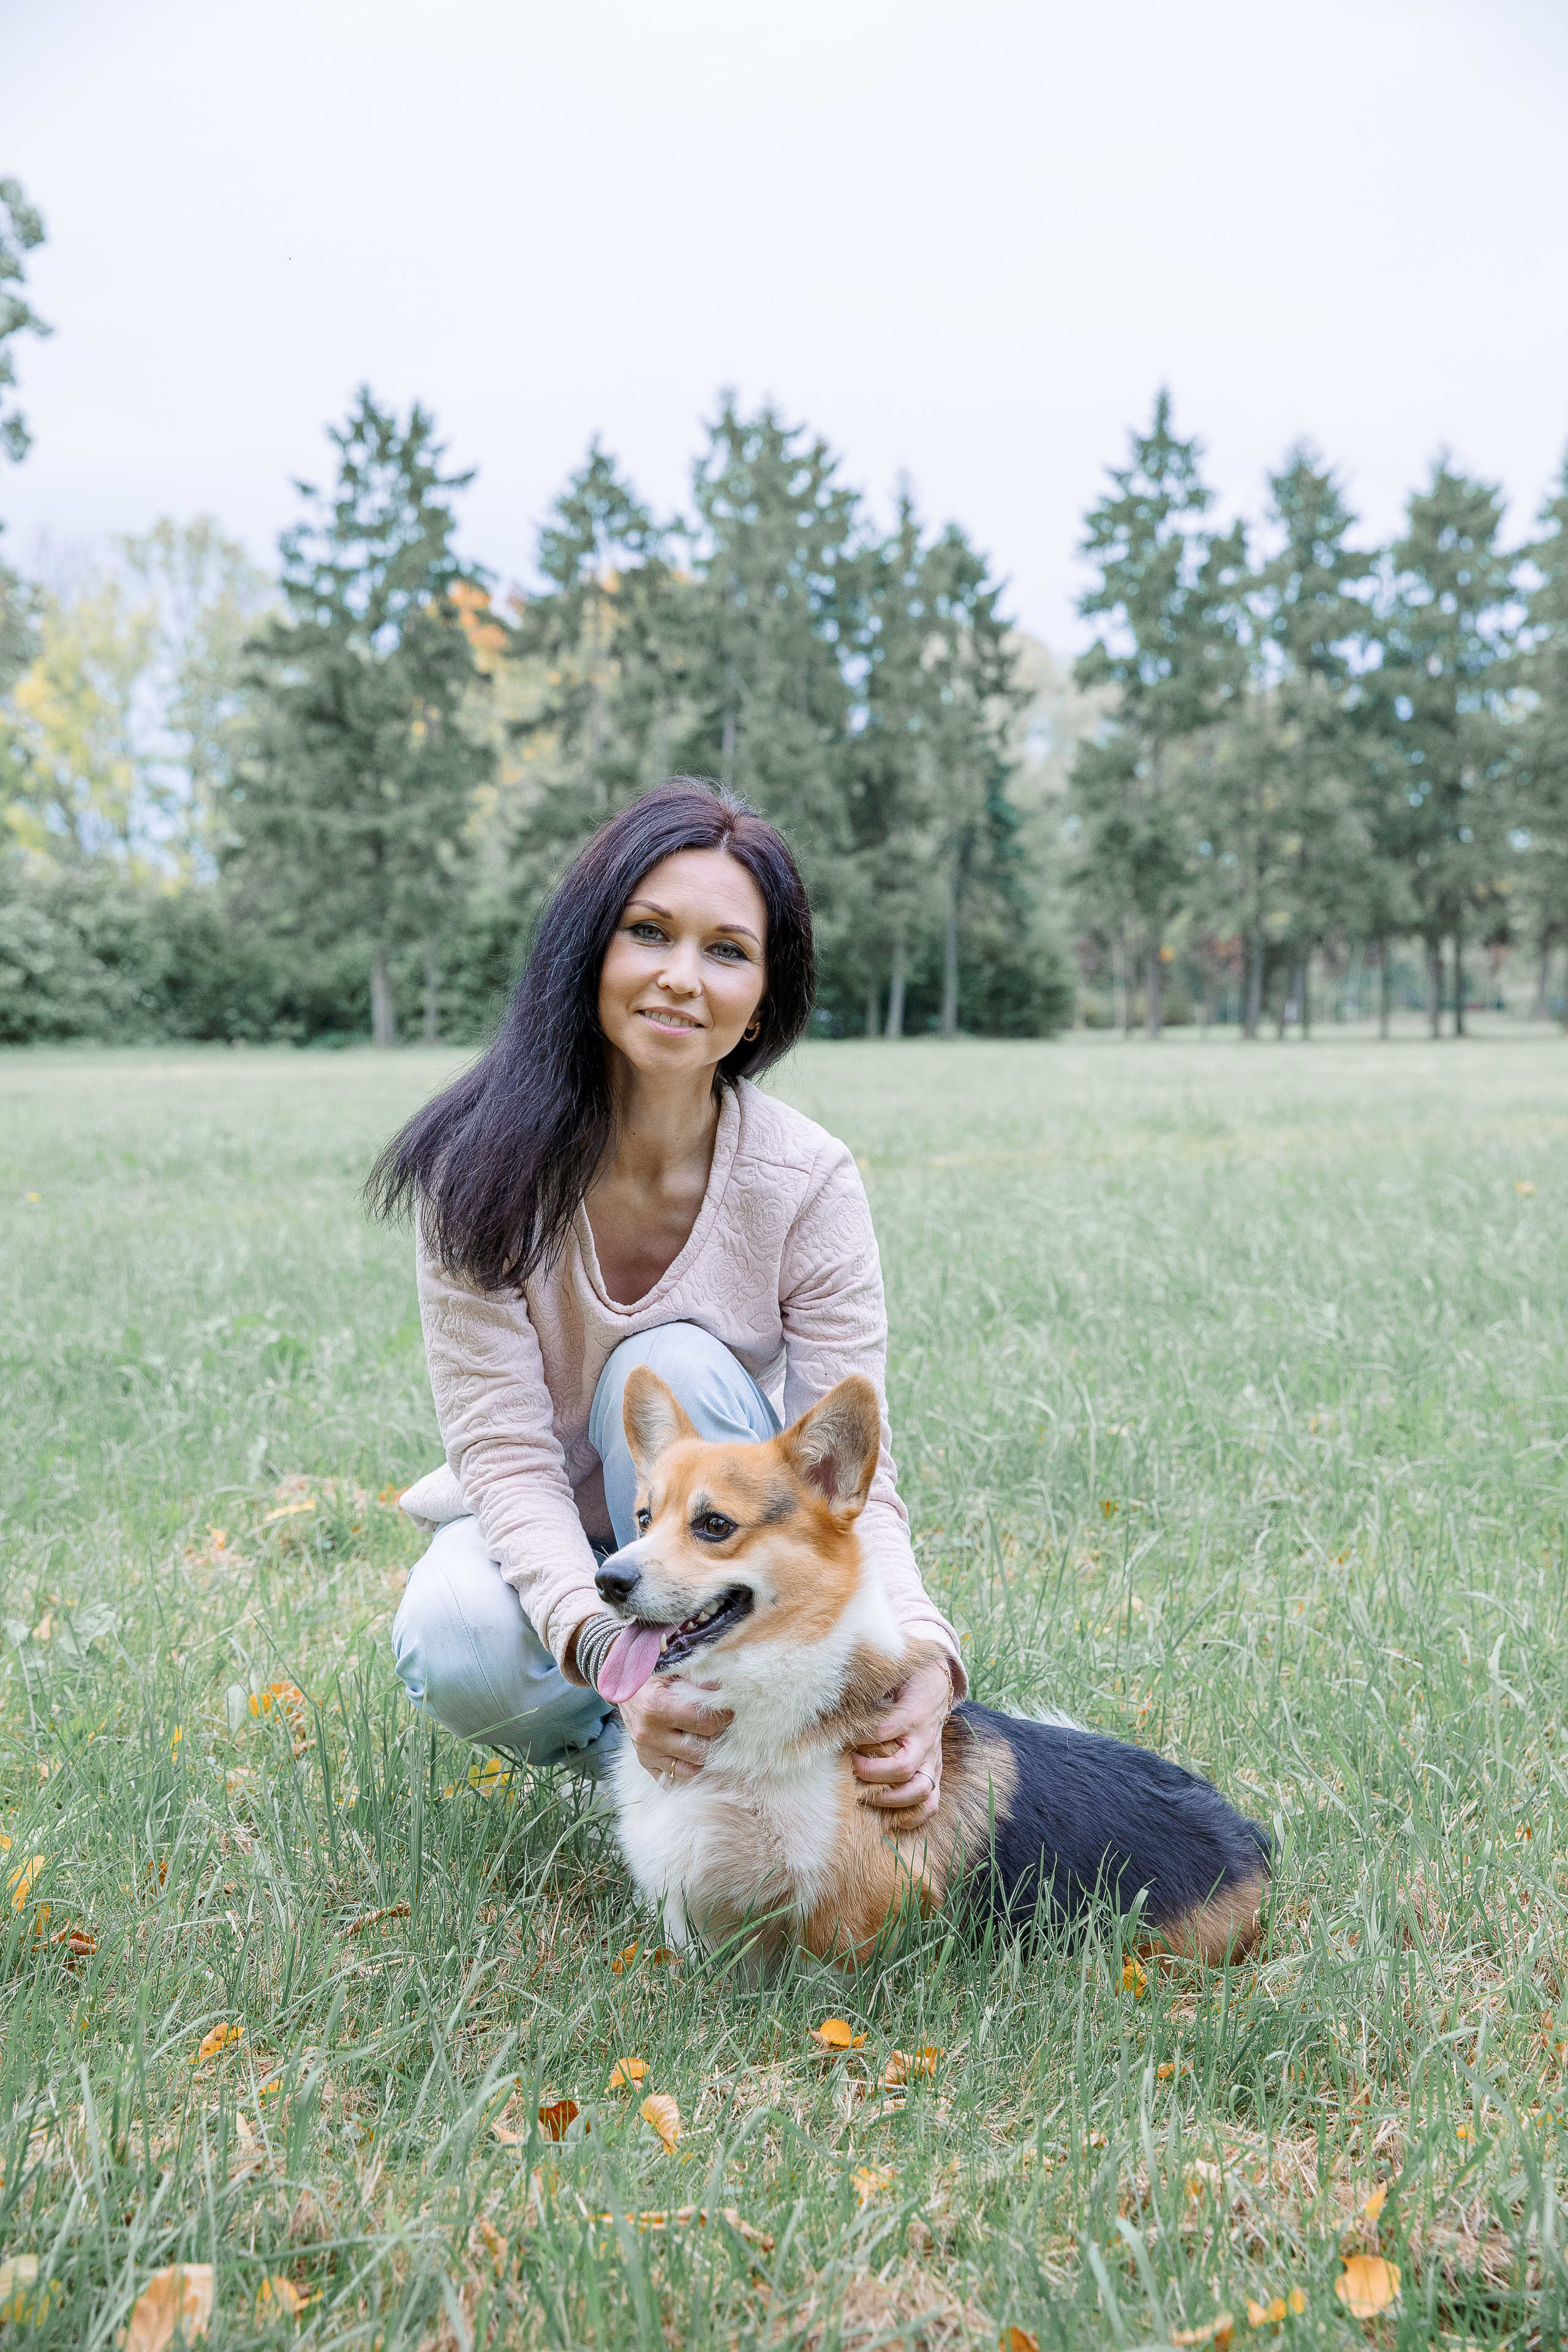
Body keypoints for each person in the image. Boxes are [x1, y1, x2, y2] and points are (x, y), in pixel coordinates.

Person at [368, 778, 963, 1819]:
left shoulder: (809, 1180)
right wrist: (609, 1658)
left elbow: (847, 1477)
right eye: (650, 933)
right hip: (557, 1528)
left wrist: (926, 1659)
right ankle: (649, 1747)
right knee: (456, 1636)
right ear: (589, 950)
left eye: (727, 950)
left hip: (728, 1534)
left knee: (679, 1364)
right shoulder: (476, 1172)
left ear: (766, 995)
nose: (682, 978)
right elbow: (506, 1459)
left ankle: (736, 1726)